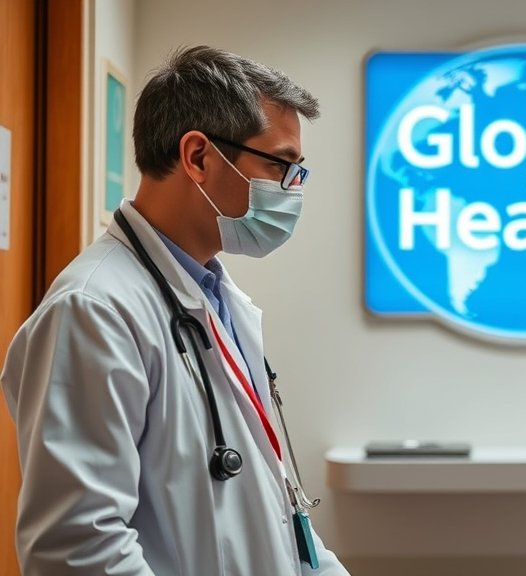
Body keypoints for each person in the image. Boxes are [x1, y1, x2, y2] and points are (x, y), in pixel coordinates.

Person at [1, 46, 350, 575]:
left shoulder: (212, 296)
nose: (290, 190)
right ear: (199, 158)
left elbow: (275, 515)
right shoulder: (93, 311)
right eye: (281, 165)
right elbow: (77, 551)